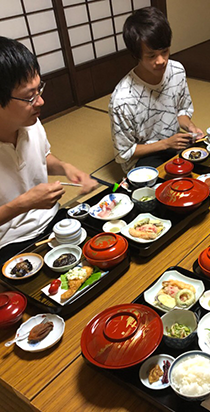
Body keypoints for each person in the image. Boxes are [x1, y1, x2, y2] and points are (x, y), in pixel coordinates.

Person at [0, 37, 97, 263]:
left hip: (54, 221)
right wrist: (24, 204)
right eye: (29, 97)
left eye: (39, 90)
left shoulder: (30, 122)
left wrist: (65, 167)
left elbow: (42, 157)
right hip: (10, 243)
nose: (41, 101)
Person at [109, 7, 203, 173]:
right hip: (142, 159)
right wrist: (166, 144)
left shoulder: (177, 71)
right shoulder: (123, 99)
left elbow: (181, 111)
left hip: (174, 145)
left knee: (208, 162)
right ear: (136, 54)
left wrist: (190, 128)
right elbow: (124, 153)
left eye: (165, 52)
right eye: (151, 56)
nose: (161, 61)